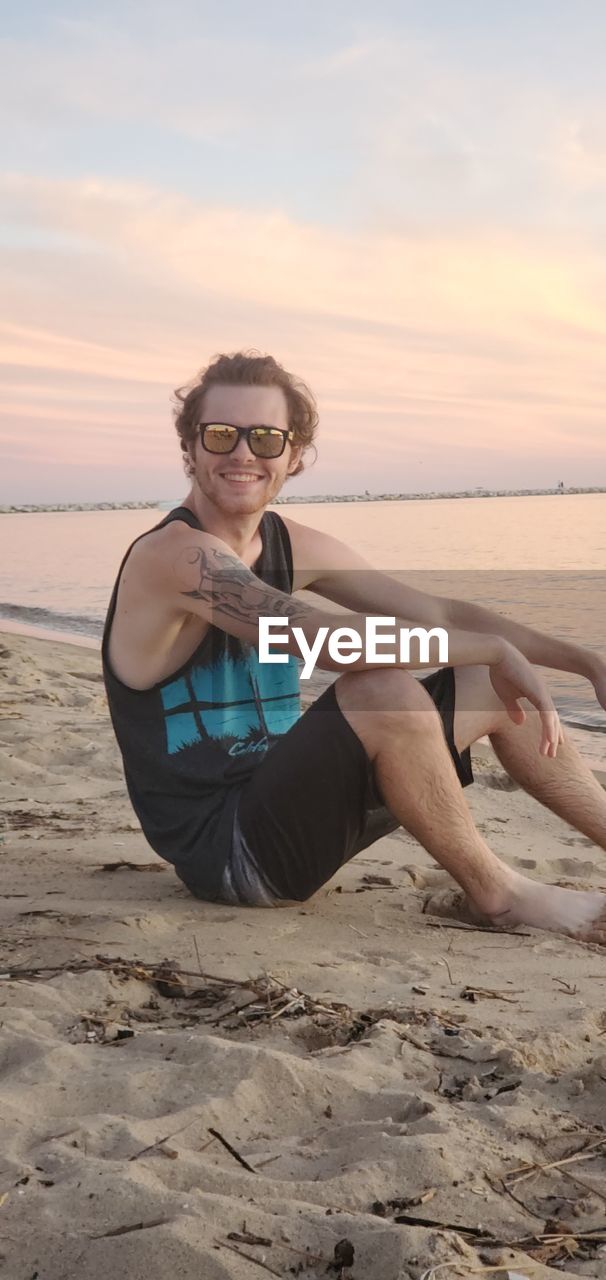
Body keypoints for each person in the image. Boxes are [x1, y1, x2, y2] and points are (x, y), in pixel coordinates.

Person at [102, 351, 606, 942]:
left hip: (299, 807)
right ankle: (503, 894)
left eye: (265, 438)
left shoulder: (290, 543)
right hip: (231, 855)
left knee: (488, 684)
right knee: (381, 689)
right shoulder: (175, 557)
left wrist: (585, 661)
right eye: (221, 435)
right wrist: (491, 649)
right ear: (189, 450)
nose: (243, 453)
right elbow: (325, 640)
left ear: (293, 456)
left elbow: (438, 612)